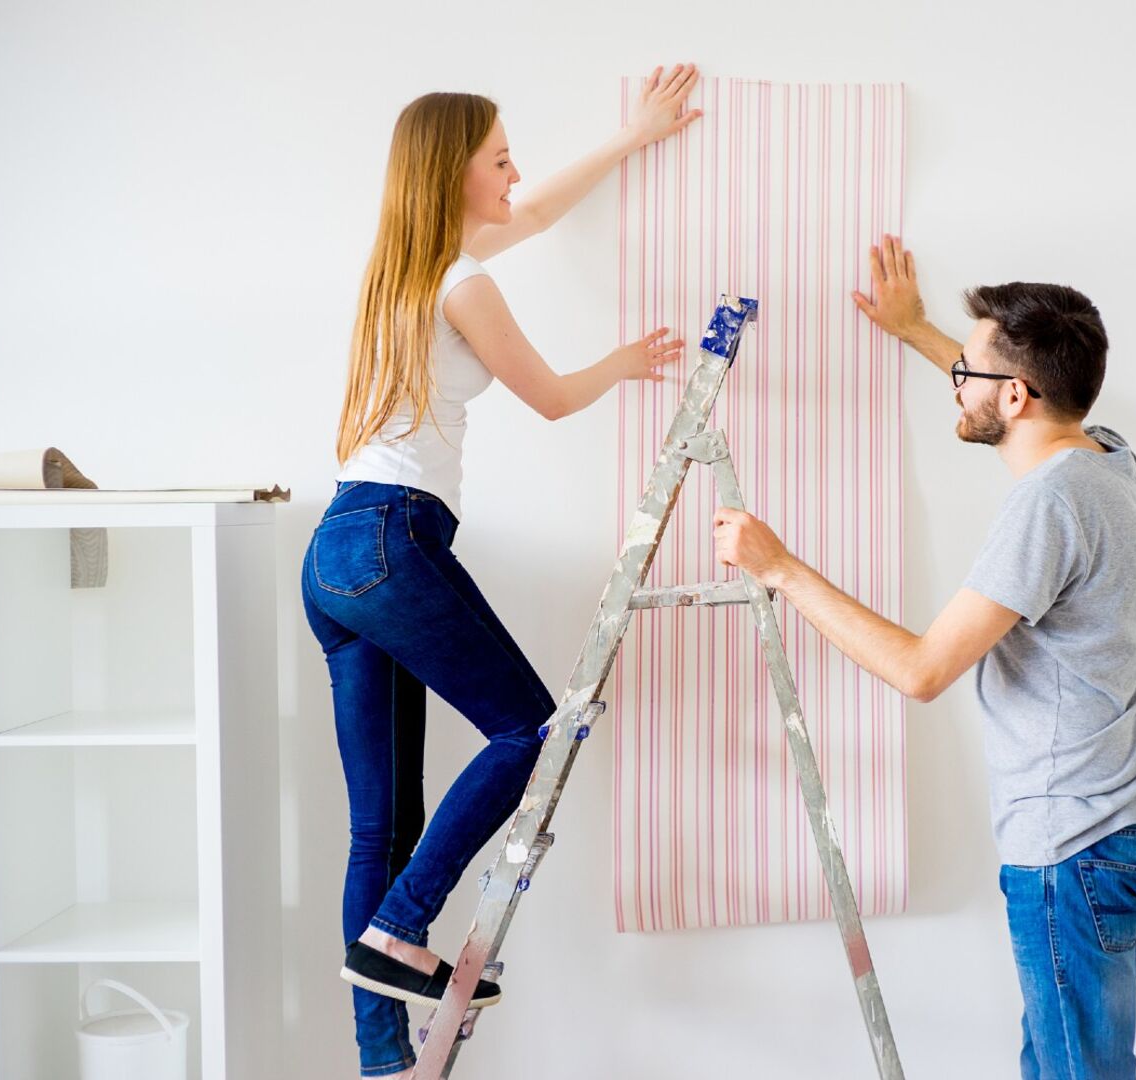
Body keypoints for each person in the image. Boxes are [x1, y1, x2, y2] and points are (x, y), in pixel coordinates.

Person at [301, 65, 702, 1078]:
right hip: (391, 540)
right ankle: (401, 930)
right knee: (532, 727)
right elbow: (554, 399)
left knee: (379, 824)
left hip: (338, 552)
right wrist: (626, 362)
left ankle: (383, 1057)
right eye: (501, 159)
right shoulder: (461, 282)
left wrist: (635, 137)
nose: (515, 174)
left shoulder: (403, 269)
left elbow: (538, 212)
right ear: (456, 172)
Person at [714, 236, 1136, 1079]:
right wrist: (915, 330)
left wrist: (780, 569)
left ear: (1016, 394)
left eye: (966, 371)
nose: (955, 384)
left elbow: (922, 670)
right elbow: (1012, 395)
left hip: (1070, 849)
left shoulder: (1048, 506)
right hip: (1130, 832)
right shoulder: (1112, 460)